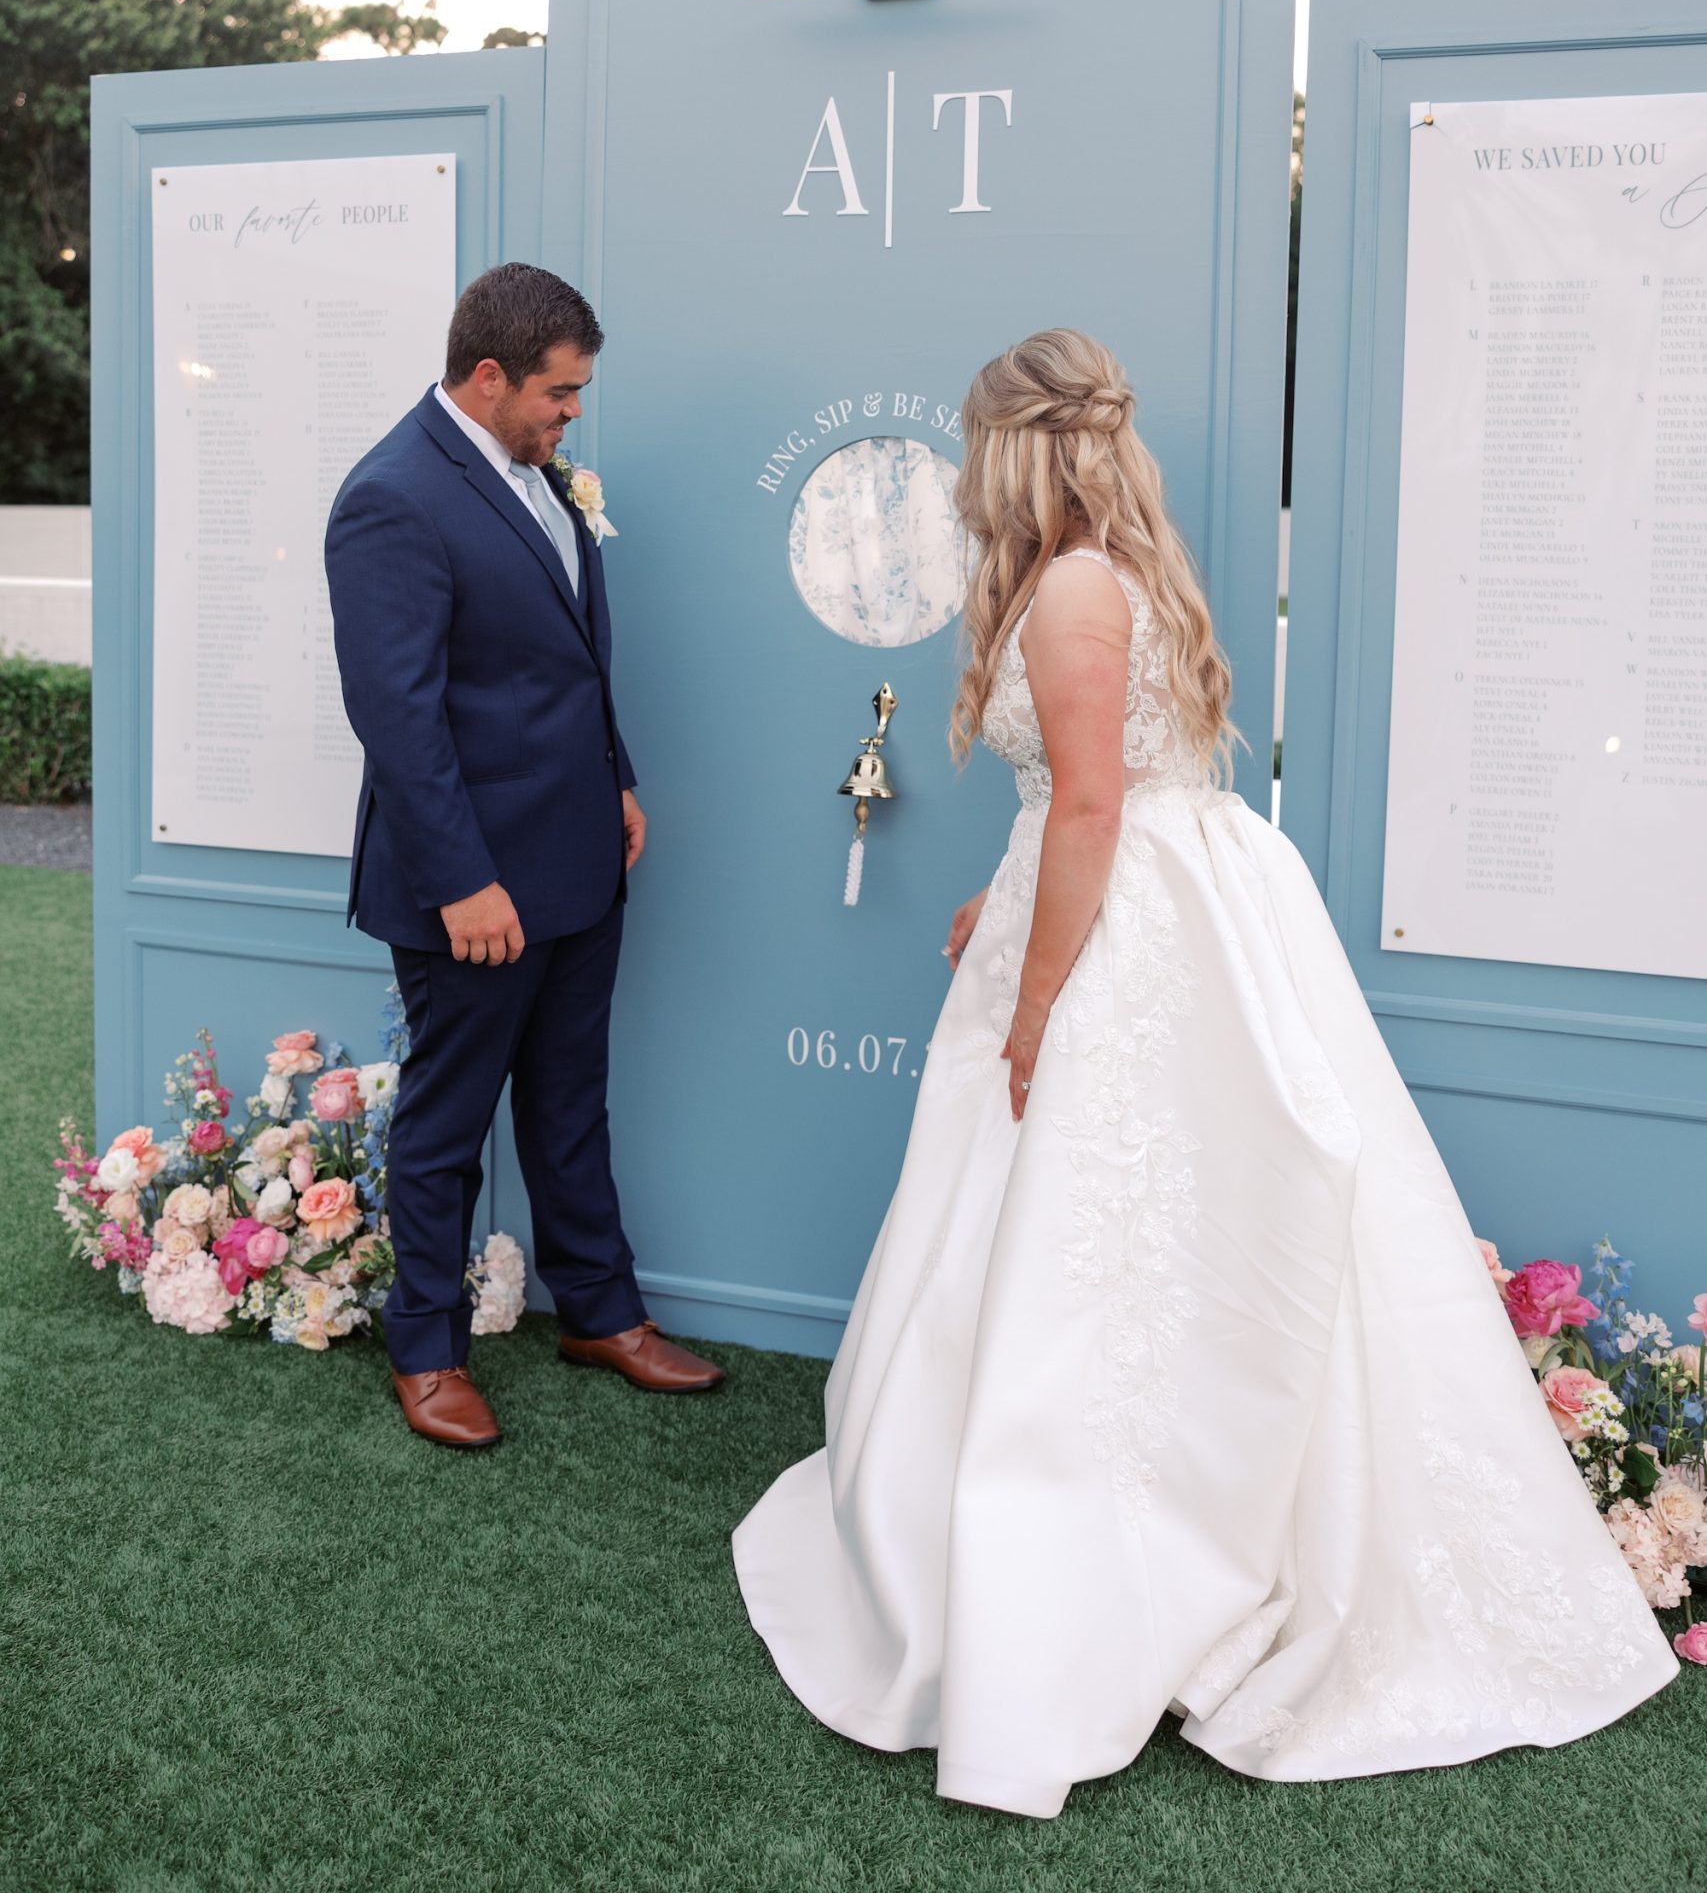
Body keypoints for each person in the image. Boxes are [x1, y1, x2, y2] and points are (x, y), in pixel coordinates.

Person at [732, 327, 1674, 1815]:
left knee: (1097, 1235)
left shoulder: (1069, 587)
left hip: (1132, 932)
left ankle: (1108, 1557)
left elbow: (1093, 805)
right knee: (1146, 1238)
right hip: (1174, 897)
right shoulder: (1109, 569)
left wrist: (1035, 1001)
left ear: (1014, 448)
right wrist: (1003, 890)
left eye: (977, 449)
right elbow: (1098, 793)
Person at [324, 262, 722, 1448]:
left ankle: (600, 1312)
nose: (573, 412)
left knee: (570, 1102)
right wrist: (462, 880)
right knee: (448, 1125)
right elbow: (396, 715)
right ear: (489, 376)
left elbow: (567, 657)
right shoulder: (391, 496)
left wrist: (616, 778)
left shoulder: (541, 473)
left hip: (580, 857)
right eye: (560, 391)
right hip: (474, 886)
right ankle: (426, 1348)